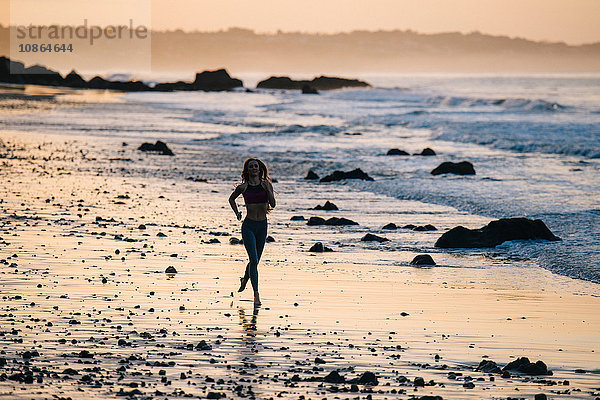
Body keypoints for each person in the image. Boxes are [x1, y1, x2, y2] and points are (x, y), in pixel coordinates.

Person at [228, 158, 276, 306]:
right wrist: (237, 213)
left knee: (255, 261)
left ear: (260, 169)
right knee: (254, 260)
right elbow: (231, 199)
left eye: (256, 166)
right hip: (248, 226)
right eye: (251, 166)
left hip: (262, 226)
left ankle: (244, 279)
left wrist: (268, 190)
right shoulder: (243, 187)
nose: (254, 168)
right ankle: (256, 295)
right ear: (247, 170)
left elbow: (273, 204)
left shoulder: (266, 184)